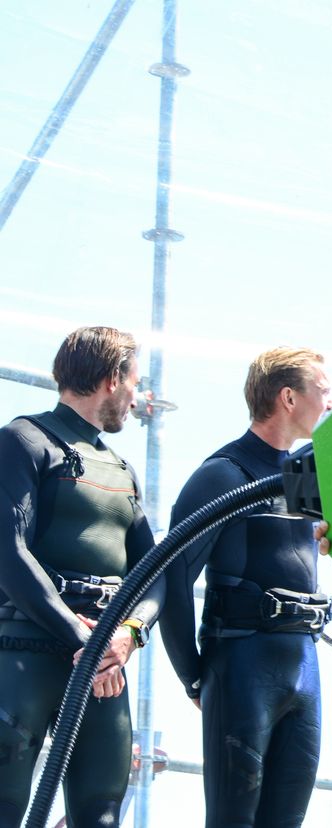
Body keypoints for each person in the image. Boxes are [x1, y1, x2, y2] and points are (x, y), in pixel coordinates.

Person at [159, 347, 332, 828]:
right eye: (323, 391)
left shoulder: (303, 476)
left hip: (304, 670)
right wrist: (192, 674)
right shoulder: (224, 474)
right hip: (241, 669)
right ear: (288, 398)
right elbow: (172, 577)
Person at [0, 325, 163, 828]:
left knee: (101, 815)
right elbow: (8, 551)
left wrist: (128, 636)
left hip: (100, 668)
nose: (137, 399)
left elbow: (156, 570)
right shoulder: (24, 439)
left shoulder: (122, 469)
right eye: (135, 383)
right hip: (26, 652)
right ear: (113, 379)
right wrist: (86, 643)